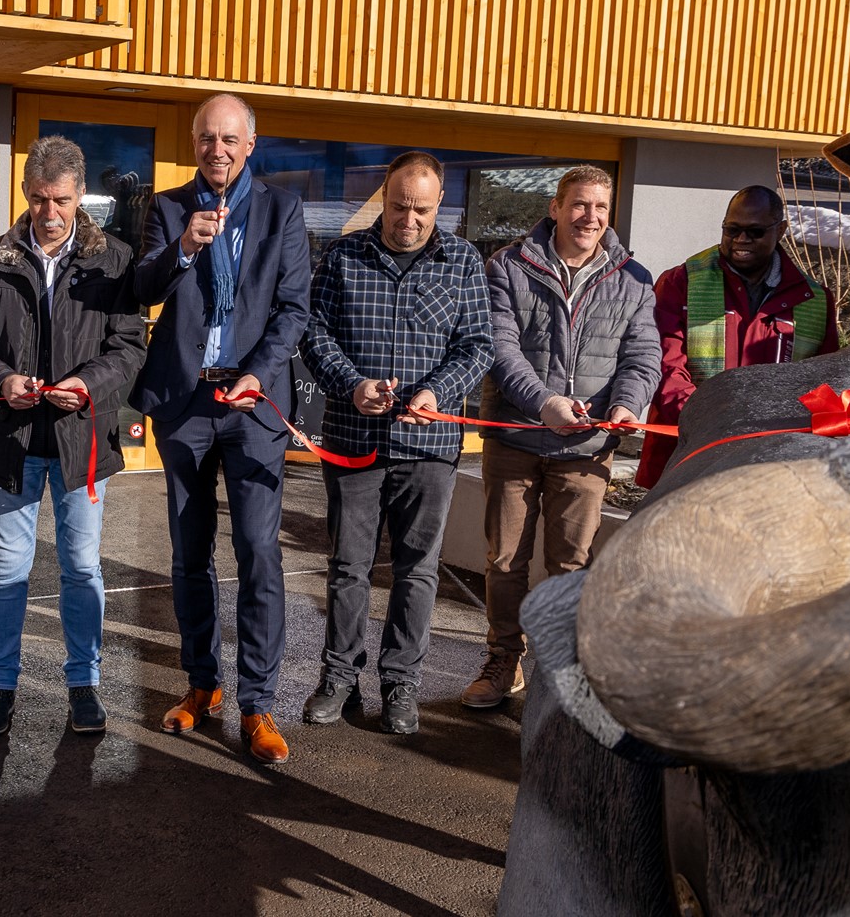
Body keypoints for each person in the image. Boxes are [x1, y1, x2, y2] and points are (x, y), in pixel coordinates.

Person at [130, 93, 311, 764]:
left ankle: (257, 701)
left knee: (259, 551)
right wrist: (182, 248)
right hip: (186, 403)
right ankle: (202, 682)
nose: (218, 149)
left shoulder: (283, 211)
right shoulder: (169, 207)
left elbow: (293, 310)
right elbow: (142, 286)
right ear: (196, 142)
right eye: (207, 137)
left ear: (250, 145)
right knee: (189, 553)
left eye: (230, 138)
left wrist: (259, 372)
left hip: (251, 405)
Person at [298, 152, 494, 735]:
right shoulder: (343, 257)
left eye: (422, 209)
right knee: (347, 567)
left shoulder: (462, 262)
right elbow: (315, 332)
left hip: (429, 445)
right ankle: (339, 676)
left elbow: (478, 346)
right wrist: (351, 385)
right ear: (385, 198)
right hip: (355, 438)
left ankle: (401, 682)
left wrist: (438, 392)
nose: (409, 219)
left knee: (417, 570)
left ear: (441, 207)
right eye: (400, 206)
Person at [0, 136, 147, 737]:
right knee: (7, 571)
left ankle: (84, 684)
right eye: (39, 199)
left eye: (61, 200)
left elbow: (128, 346)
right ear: (26, 194)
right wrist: (2, 378)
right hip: (13, 439)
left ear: (79, 196)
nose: (49, 213)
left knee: (81, 570)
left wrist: (88, 386)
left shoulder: (114, 260)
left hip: (80, 440)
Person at [465, 165, 660, 709]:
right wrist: (545, 403)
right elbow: (500, 350)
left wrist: (626, 403)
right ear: (555, 207)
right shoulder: (507, 266)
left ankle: (557, 668)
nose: (590, 217)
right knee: (505, 561)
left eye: (600, 207)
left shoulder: (633, 278)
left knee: (571, 565)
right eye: (579, 205)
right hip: (516, 439)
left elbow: (644, 355)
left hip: (587, 449)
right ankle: (504, 658)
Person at [635, 186, 840, 488]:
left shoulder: (814, 299)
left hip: (770, 463)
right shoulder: (682, 281)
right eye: (732, 229)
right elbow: (664, 365)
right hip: (687, 454)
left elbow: (823, 384)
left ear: (781, 230)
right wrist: (710, 421)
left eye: (754, 232)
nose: (741, 240)